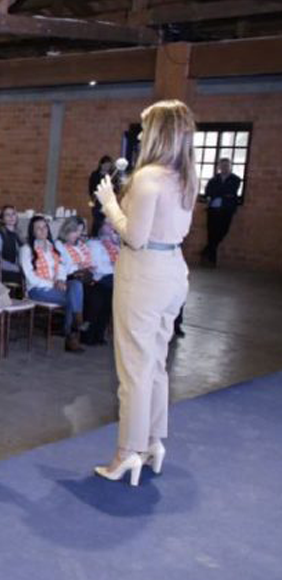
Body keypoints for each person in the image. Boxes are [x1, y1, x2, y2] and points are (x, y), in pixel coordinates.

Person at [93, 100, 197, 486]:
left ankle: (127, 452)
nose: (139, 134)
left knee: (133, 370)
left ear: (157, 132)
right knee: (155, 364)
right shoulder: (186, 176)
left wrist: (109, 205)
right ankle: (153, 441)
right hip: (174, 271)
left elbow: (134, 237)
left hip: (144, 275)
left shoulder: (147, 177)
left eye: (144, 127)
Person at [20, 216, 83, 353]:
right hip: (37, 289)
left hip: (56, 286)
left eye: (45, 227)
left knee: (76, 285)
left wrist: (60, 279)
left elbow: (61, 267)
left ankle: (72, 328)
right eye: (38, 228)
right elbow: (30, 277)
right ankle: (73, 329)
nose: (43, 230)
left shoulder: (52, 246)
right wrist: (52, 283)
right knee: (72, 299)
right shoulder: (27, 249)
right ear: (33, 231)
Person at [199, 157, 243, 266]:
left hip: (226, 209)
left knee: (223, 231)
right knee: (211, 233)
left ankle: (206, 251)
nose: (224, 168)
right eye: (222, 166)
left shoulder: (235, 179)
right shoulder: (214, 179)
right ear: (219, 167)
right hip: (213, 209)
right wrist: (219, 193)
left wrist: (217, 193)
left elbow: (231, 191)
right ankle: (212, 260)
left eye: (226, 166)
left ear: (230, 167)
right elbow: (208, 191)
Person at [83, 220, 119, 346]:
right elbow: (97, 267)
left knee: (108, 302)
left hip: (110, 278)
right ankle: (90, 334)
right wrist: (114, 269)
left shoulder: (113, 243)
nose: (111, 227)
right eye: (107, 224)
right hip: (97, 279)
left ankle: (100, 333)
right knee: (105, 293)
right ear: (99, 226)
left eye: (111, 224)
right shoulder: (93, 244)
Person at [0, 205, 24, 284]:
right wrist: (16, 268)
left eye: (13, 214)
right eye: (7, 215)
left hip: (19, 268)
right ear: (2, 219)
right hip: (4, 271)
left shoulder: (18, 233)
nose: (11, 217)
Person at [88, 155, 115, 237]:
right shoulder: (95, 174)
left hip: (107, 202)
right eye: (105, 165)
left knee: (107, 221)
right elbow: (91, 188)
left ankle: (105, 238)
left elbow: (116, 189)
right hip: (97, 201)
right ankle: (94, 237)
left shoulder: (112, 176)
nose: (107, 167)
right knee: (97, 221)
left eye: (109, 165)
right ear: (101, 164)